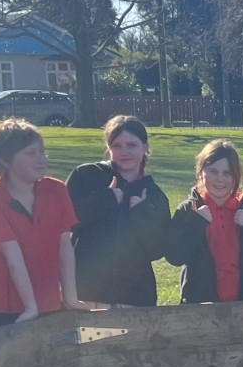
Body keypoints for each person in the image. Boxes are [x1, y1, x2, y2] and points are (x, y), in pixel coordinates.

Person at [0, 118, 87, 324]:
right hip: (8, 308)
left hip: (50, 303)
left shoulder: (56, 189)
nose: (42, 159)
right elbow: (13, 257)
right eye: (31, 153)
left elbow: (64, 247)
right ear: (5, 161)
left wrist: (70, 298)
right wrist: (30, 307)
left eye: (42, 152)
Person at [66, 115, 170, 307]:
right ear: (109, 148)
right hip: (87, 292)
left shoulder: (154, 195)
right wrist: (106, 199)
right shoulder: (86, 176)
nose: (124, 152)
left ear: (145, 147)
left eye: (131, 145)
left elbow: (157, 250)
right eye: (117, 146)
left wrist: (140, 213)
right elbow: (65, 222)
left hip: (134, 297)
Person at [166, 140, 243, 303]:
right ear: (200, 173)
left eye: (227, 173)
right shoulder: (190, 210)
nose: (220, 179)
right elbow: (175, 256)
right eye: (213, 171)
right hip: (201, 306)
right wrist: (196, 222)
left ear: (236, 176)